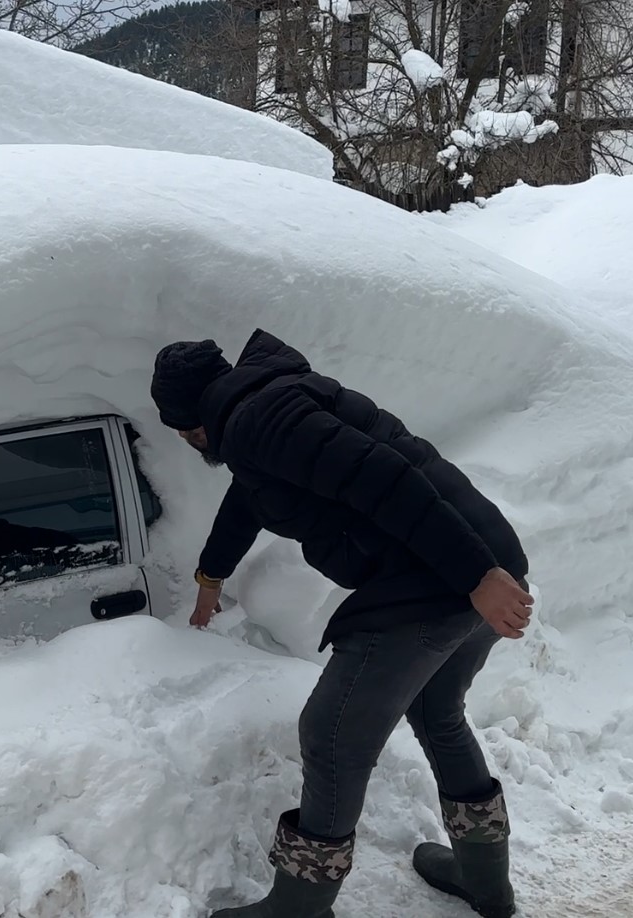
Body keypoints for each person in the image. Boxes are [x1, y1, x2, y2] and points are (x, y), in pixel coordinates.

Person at [150, 330, 533, 918]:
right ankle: (485, 884)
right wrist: (210, 577)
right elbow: (249, 497)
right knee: (437, 713)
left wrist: (477, 577)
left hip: (444, 580)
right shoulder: (272, 406)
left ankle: (297, 909)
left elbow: (386, 478)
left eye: (183, 433)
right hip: (480, 561)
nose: (189, 442)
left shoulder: (259, 422)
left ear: (193, 423)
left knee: (331, 736)